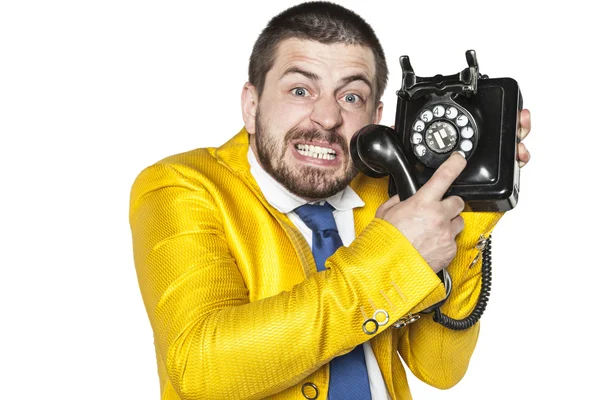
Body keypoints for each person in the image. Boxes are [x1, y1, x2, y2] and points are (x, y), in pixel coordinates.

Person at [129, 2, 532, 399]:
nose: (327, 117)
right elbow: (201, 370)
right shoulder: (179, 186)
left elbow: (440, 367)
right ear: (251, 107)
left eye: (351, 97)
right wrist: (391, 256)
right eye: (301, 90)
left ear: (376, 120)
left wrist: (466, 212)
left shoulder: (386, 193)